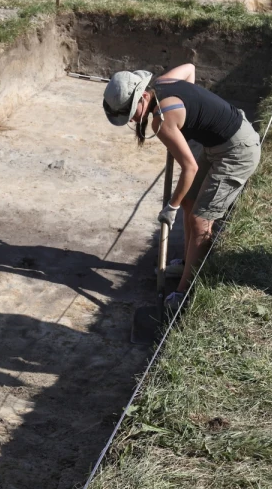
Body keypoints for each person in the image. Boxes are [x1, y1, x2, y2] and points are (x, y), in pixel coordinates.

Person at [103, 64, 261, 314]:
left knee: (200, 220)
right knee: (190, 200)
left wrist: (171, 207)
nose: (133, 119)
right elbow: (189, 70)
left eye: (132, 112)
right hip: (219, 142)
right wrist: (190, 121)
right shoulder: (164, 83)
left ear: (144, 96)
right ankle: (189, 261)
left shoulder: (162, 121)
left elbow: (189, 168)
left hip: (237, 151)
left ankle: (184, 292)